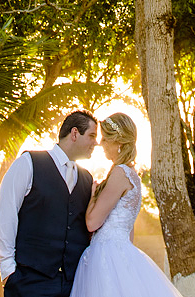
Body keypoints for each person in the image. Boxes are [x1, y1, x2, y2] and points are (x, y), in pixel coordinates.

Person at [68, 112, 184, 297]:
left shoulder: (120, 173)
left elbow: (92, 222)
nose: (101, 144)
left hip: (106, 256)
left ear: (119, 143)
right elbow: (129, 231)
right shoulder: (133, 177)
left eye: (106, 139)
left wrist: (92, 197)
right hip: (123, 254)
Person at [0, 110, 98, 297]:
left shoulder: (87, 178)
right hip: (29, 282)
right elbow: (5, 214)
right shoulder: (28, 163)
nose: (95, 143)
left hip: (73, 284)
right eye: (91, 136)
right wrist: (8, 271)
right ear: (74, 133)